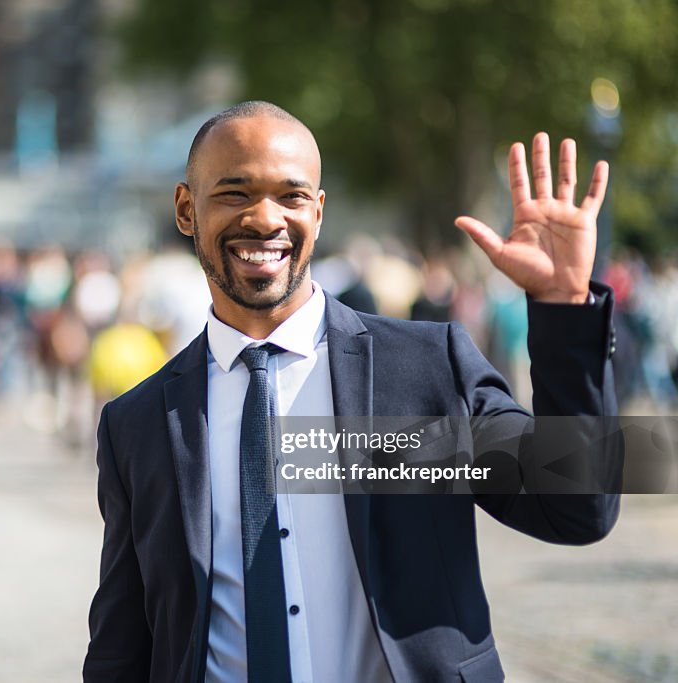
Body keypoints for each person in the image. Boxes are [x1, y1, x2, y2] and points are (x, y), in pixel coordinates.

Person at [83, 101, 618, 682]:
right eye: (234, 193)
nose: (264, 219)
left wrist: (565, 311)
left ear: (317, 210)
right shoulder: (136, 424)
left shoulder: (423, 369)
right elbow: (122, 647)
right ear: (186, 209)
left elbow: (576, 507)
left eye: (290, 196)